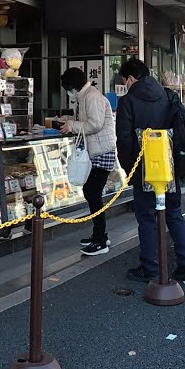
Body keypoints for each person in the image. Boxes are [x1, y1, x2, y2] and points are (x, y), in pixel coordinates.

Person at [115, 58, 185, 283]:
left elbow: (123, 139)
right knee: (173, 212)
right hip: (169, 166)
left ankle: (150, 267)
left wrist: (129, 168)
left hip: (143, 168)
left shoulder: (128, 101)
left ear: (131, 78)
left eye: (125, 80)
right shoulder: (168, 95)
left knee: (147, 217)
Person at [59, 67, 116, 256]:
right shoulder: (87, 96)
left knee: (92, 192)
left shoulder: (91, 97)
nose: (68, 93)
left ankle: (101, 240)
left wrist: (72, 125)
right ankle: (99, 235)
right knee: (92, 193)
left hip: (102, 152)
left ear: (72, 87)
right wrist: (69, 120)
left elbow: (95, 123)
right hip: (97, 151)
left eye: (68, 89)